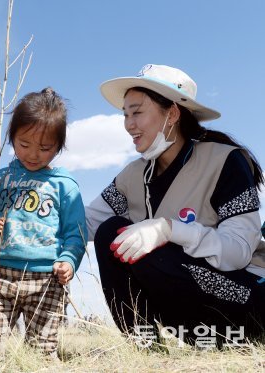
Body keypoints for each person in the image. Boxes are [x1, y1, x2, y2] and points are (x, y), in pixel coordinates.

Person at [87, 64, 265, 346]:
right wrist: (21, 212)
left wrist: (168, 229)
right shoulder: (133, 175)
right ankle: (144, 345)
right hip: (183, 309)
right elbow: (85, 224)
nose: (128, 124)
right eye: (125, 115)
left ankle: (241, 338)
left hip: (244, 302)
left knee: (148, 249)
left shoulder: (226, 161)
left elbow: (239, 252)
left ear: (171, 113)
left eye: (137, 112)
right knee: (112, 231)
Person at [0, 87, 87, 364]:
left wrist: (69, 261)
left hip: (47, 280)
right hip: (1, 275)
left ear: (59, 146)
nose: (34, 154)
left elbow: (76, 233)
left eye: (45, 148)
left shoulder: (64, 185)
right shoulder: (2, 177)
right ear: (12, 138)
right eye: (24, 144)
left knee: (42, 356)